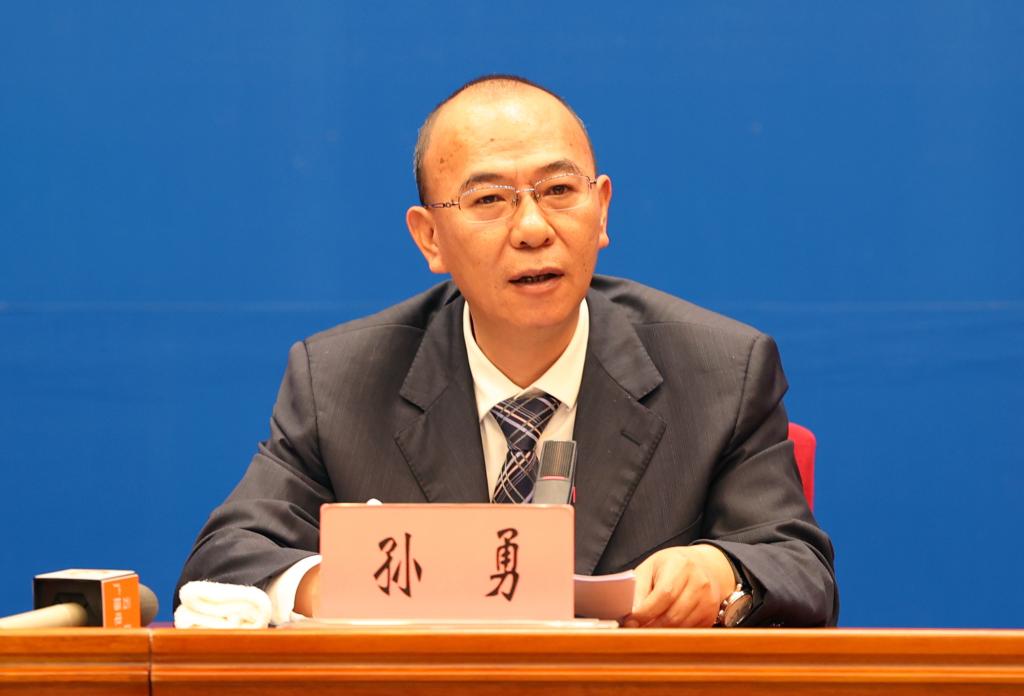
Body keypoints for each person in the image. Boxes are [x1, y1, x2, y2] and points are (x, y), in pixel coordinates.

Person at [176, 75, 838, 628]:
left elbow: (800, 569)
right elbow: (228, 555)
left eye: (559, 191)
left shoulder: (721, 372)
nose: (531, 228)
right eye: (489, 199)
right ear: (430, 238)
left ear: (602, 210)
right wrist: (339, 584)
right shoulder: (341, 381)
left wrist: (722, 573)